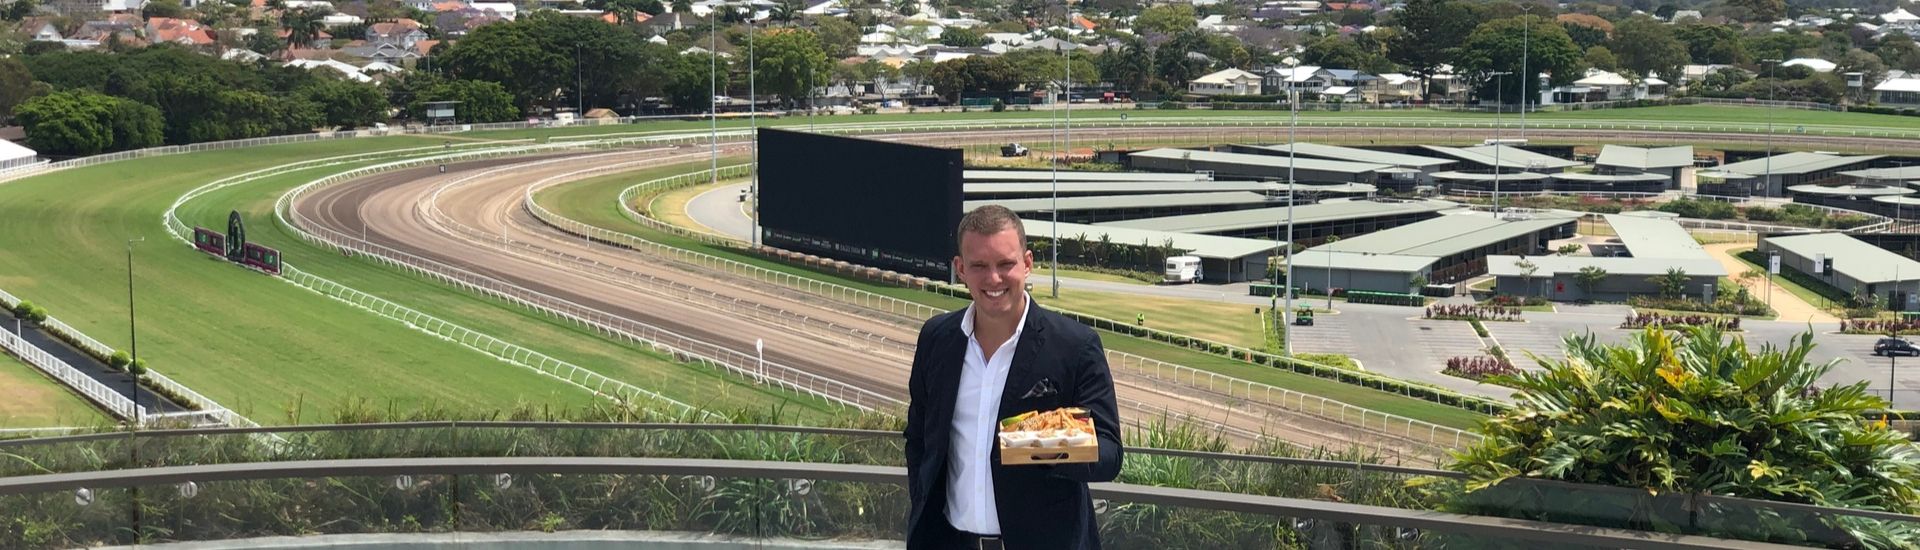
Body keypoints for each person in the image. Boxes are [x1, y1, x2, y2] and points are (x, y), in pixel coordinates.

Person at [904, 205, 1123, 550]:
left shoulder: (1075, 346)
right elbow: (918, 438)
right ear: (960, 269)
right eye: (979, 266)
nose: (993, 279)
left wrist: (1041, 441)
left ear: (1027, 263)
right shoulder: (936, 338)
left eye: (1005, 264)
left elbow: (1110, 455)